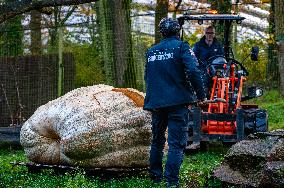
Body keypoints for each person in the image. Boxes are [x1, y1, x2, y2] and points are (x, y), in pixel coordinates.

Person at [143, 17, 206, 188]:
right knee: (176, 143)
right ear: (178, 31)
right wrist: (201, 96)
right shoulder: (182, 47)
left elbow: (147, 77)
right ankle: (171, 182)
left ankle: (155, 178)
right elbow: (193, 70)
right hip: (177, 103)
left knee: (157, 141)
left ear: (161, 32)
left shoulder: (151, 52)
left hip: (156, 103)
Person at [193, 26, 224, 96]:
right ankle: (202, 96)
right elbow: (193, 58)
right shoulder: (198, 45)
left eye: (211, 33)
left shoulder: (218, 46)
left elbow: (222, 58)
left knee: (222, 77)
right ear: (205, 33)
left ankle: (221, 95)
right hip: (202, 68)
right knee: (202, 77)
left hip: (215, 69)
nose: (209, 35)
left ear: (214, 34)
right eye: (208, 33)